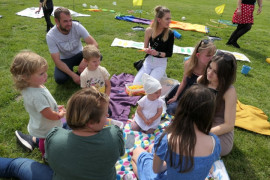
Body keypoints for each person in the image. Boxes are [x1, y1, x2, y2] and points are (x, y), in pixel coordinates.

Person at [131, 85, 221, 179]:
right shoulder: (215, 142)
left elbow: (156, 170)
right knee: (152, 147)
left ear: (181, 107)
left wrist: (168, 164)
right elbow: (207, 167)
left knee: (137, 152)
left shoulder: (167, 139)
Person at [45, 87, 125, 179]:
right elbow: (121, 153)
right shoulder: (114, 136)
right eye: (105, 114)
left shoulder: (54, 137)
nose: (107, 116)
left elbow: (48, 159)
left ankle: (32, 140)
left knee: (24, 164)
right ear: (91, 122)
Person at [10, 51, 66, 156]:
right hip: (46, 126)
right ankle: (46, 154)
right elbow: (48, 114)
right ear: (25, 77)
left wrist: (54, 107)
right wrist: (59, 115)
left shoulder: (33, 85)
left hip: (40, 122)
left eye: (45, 72)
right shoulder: (37, 95)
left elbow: (42, 107)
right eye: (41, 73)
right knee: (45, 141)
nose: (46, 75)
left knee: (44, 138)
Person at [198, 51, 237, 156]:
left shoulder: (229, 91)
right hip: (202, 123)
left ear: (224, 75)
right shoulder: (201, 81)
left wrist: (203, 133)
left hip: (219, 132)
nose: (209, 73)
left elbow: (229, 125)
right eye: (210, 68)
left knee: (193, 144)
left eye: (215, 72)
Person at [46, 7, 99, 85]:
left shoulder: (77, 26)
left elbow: (94, 44)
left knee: (97, 56)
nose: (69, 24)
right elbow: (57, 61)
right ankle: (77, 74)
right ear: (56, 21)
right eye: (65, 21)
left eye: (70, 20)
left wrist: (84, 61)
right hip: (64, 59)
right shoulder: (51, 36)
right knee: (60, 79)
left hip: (80, 54)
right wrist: (73, 75)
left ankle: (81, 72)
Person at [166, 39, 216, 115]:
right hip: (185, 93)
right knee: (172, 109)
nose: (211, 58)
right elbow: (184, 81)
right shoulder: (189, 64)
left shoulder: (211, 70)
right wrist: (176, 96)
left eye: (213, 55)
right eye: (208, 56)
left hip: (199, 98)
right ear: (198, 55)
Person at [133, 5, 174, 83]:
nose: (170, 21)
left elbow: (169, 53)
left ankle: (160, 74)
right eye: (167, 19)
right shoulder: (149, 30)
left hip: (161, 64)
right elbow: (144, 48)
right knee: (136, 83)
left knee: (150, 85)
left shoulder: (170, 33)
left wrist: (157, 53)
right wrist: (147, 50)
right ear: (159, 20)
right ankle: (160, 75)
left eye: (170, 19)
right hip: (149, 62)